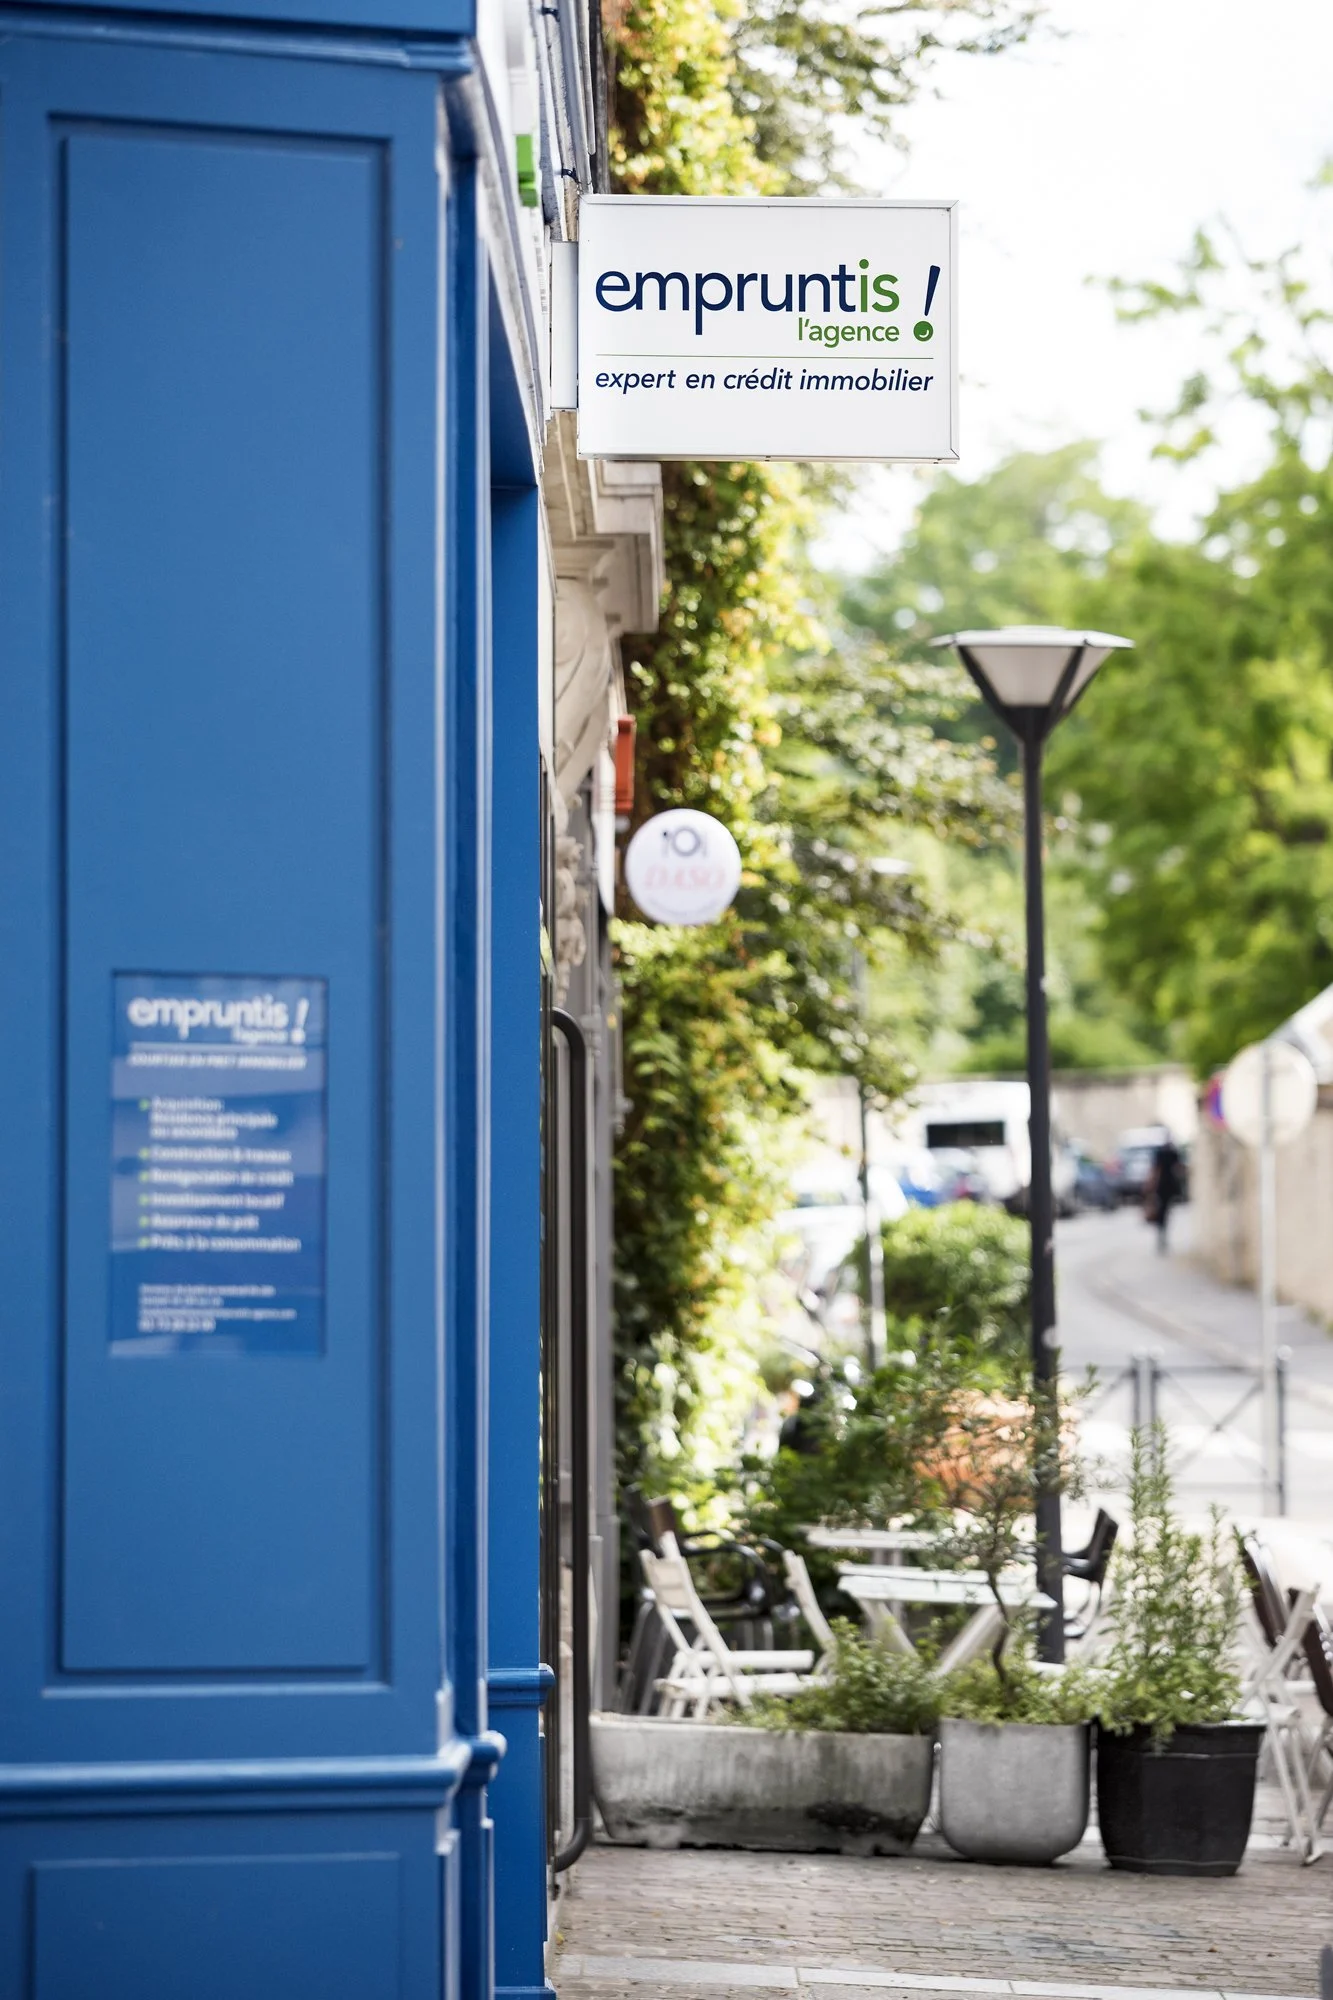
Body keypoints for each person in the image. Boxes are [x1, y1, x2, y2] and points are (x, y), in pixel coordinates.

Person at [1146, 1138, 1184, 1253]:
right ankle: (1162, 1233)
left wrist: (1151, 1184)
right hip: (1169, 1186)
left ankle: (1161, 1233)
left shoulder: (1162, 1153)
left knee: (1162, 1210)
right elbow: (1178, 1168)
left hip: (1162, 1186)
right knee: (1165, 1211)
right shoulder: (1172, 1153)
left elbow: (1155, 1169)